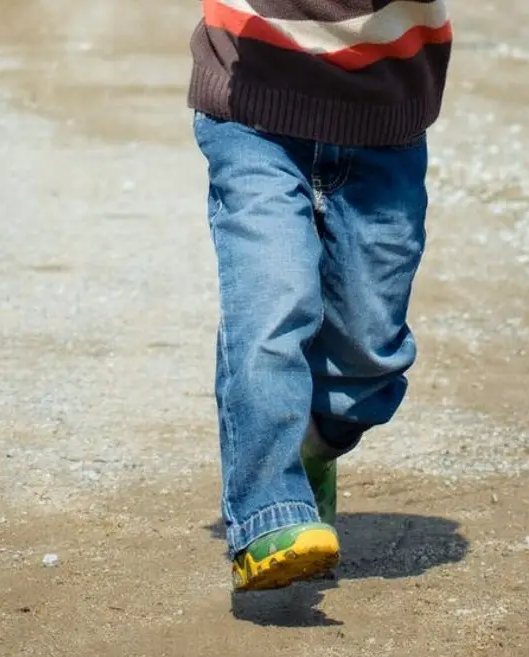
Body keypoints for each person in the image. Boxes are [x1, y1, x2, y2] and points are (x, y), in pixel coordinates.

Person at [187, 0, 452, 591]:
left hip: (384, 120)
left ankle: (311, 444)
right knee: (271, 302)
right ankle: (265, 516)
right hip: (254, 114)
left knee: (369, 346)